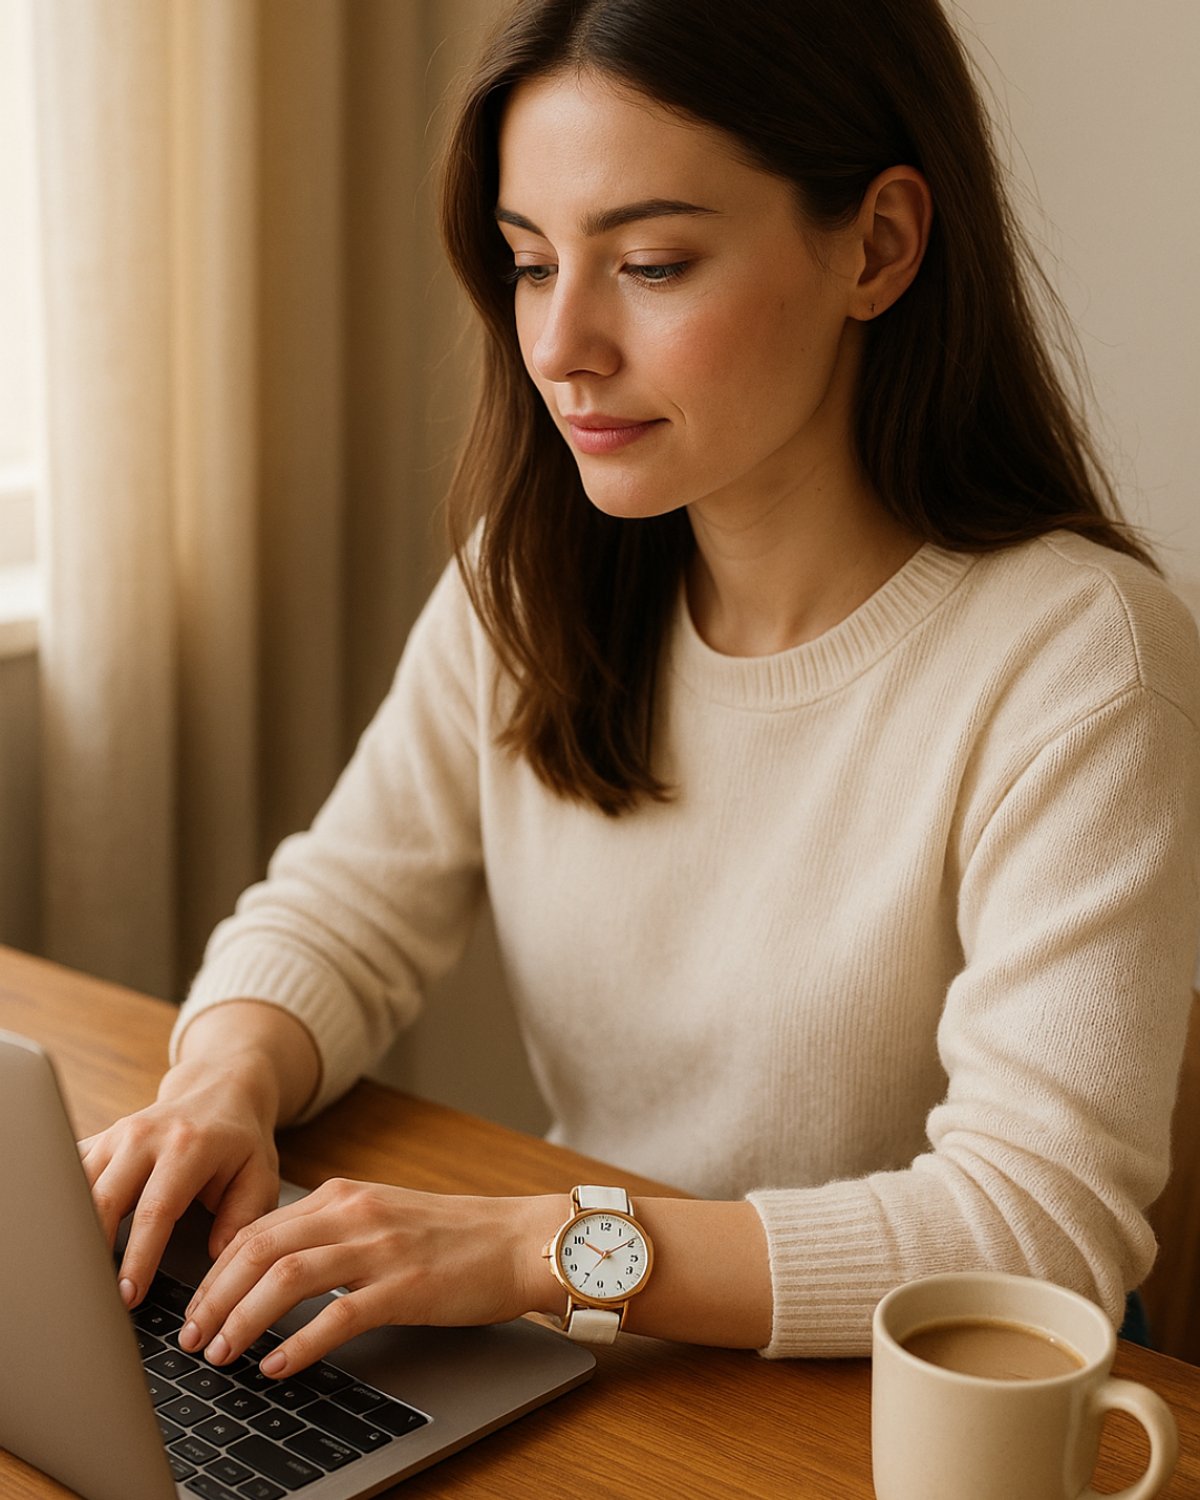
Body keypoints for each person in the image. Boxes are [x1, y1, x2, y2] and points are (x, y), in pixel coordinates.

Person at [81, 0, 1200, 1376]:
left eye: (653, 264)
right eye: (529, 262)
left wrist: (528, 1252)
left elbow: (1034, 1228)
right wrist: (220, 1083)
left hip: (942, 1401)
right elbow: (346, 903)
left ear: (882, 245)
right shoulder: (534, 576)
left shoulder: (1083, 659)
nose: (561, 345)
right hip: (627, 1363)